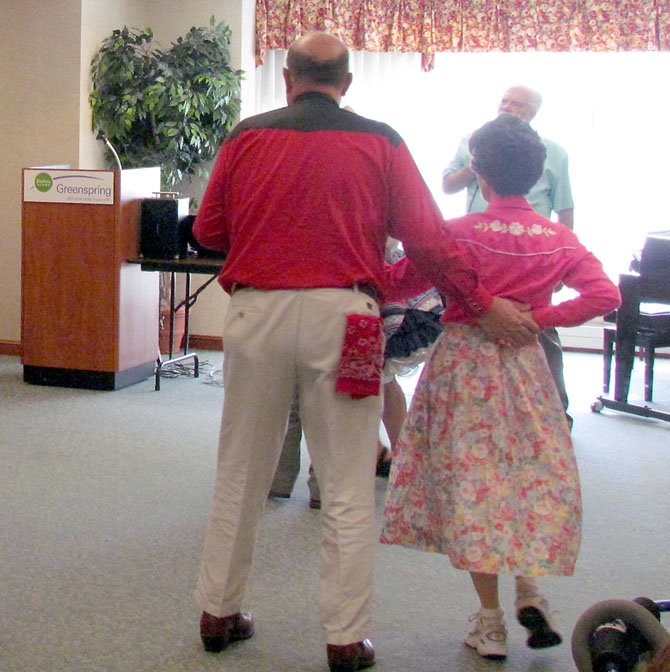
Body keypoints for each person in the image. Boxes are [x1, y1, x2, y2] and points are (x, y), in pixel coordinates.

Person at [192, 31, 539, 672]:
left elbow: (210, 230)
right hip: (347, 319)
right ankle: (345, 641)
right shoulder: (382, 141)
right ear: (347, 83)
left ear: (289, 78)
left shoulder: (244, 137)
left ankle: (218, 613)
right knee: (349, 482)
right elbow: (431, 242)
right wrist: (482, 302)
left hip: (255, 314)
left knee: (240, 470)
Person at [381, 114, 620, 661]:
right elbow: (605, 296)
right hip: (525, 368)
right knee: (527, 473)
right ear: (536, 176)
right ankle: (530, 588)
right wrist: (541, 316)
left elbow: (398, 283)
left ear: (479, 175)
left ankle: (489, 623)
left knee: (473, 482)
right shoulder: (558, 238)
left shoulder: (458, 235)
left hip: (463, 367)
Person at [443, 85, 574, 427]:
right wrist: (482, 161)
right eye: (504, 101)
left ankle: (556, 410)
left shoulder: (552, 152)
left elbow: (565, 208)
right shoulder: (472, 140)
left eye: (517, 105)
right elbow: (448, 185)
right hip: (477, 252)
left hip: (532, 254)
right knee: (474, 330)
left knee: (535, 335)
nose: (507, 108)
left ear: (532, 115)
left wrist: (562, 265)